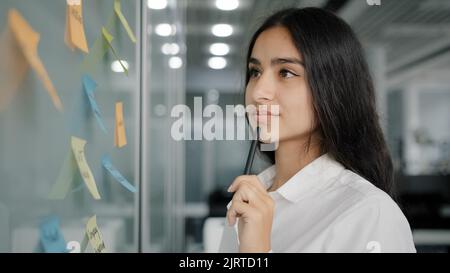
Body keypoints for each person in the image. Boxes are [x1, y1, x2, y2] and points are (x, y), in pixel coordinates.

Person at [218, 7, 416, 253]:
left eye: (286, 72)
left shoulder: (371, 214)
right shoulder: (247, 198)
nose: (258, 92)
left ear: (334, 88)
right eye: (255, 72)